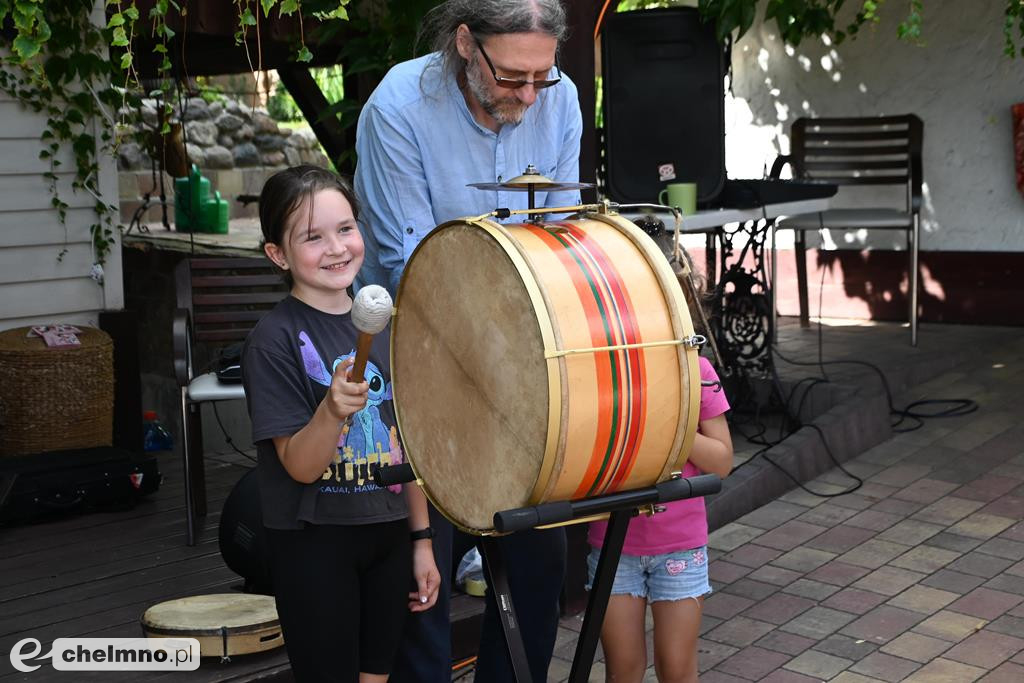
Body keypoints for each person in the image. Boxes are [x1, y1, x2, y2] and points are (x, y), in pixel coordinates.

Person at [354, 2, 582, 682]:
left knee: (539, 558)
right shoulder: (396, 106)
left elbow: (562, 231)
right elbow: (414, 266)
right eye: (513, 77)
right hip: (419, 355)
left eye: (541, 76)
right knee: (422, 566)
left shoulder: (558, 96)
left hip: (521, 354)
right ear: (464, 43)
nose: (529, 96)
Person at [242, 165, 440, 683]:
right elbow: (301, 468)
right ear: (278, 255)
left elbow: (407, 448)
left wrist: (421, 541)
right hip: (314, 543)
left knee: (378, 675)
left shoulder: (386, 326)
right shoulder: (274, 340)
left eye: (345, 228)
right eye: (312, 237)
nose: (336, 248)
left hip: (390, 534)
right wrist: (330, 411)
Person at [587, 283, 734, 683]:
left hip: (681, 545)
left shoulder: (699, 371)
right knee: (624, 669)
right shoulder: (604, 372)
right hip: (613, 542)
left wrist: (674, 422)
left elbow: (722, 462)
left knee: (677, 669)